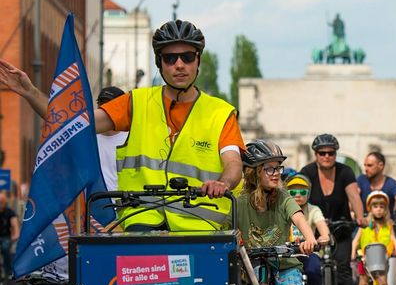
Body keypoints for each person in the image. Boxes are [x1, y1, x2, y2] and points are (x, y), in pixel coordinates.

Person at [1, 20, 244, 230]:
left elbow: (233, 163)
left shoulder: (220, 113)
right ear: (160, 64)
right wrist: (30, 92)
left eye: (187, 57)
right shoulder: (137, 102)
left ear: (197, 60)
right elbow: (76, 123)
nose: (179, 65)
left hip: (200, 227)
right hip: (142, 221)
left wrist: (222, 183)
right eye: (170, 58)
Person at [237, 140, 319, 285]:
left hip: (283, 264)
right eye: (269, 168)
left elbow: (299, 218)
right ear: (253, 172)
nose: (276, 174)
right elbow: (226, 226)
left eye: (278, 168)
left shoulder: (283, 198)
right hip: (251, 267)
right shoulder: (240, 202)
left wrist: (309, 238)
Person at [300, 134, 365, 285]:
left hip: (341, 227)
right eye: (322, 153)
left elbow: (353, 195)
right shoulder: (307, 172)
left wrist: (360, 217)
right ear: (315, 154)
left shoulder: (345, 172)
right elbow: (295, 194)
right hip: (313, 230)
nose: (327, 156)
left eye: (331, 153)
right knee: (312, 269)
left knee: (344, 267)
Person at [352, 190, 396, 285]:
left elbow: (393, 238)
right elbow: (356, 240)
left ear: (386, 209)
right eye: (375, 207)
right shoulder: (364, 224)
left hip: (382, 257)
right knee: (363, 282)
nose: (379, 210)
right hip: (365, 257)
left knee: (384, 283)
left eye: (381, 207)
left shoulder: (388, 224)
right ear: (370, 208)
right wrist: (353, 254)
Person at [285, 173, 331, 285]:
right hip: (287, 253)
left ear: (308, 194)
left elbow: (323, 228)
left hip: (309, 252)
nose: (297, 195)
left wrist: (324, 237)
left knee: (313, 270)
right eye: (292, 192)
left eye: (302, 191)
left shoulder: (313, 210)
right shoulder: (281, 209)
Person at [94, 85, 128, 192]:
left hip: (123, 203)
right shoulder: (87, 138)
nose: (105, 108)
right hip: (93, 203)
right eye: (101, 104)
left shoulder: (132, 138)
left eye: (110, 105)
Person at [0, 190, 18, 281]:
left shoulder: (9, 212)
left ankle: (8, 271)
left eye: (2, 202)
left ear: (5, 202)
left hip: (5, 236)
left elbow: (15, 225)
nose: (1, 203)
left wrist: (16, 235)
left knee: (5, 247)